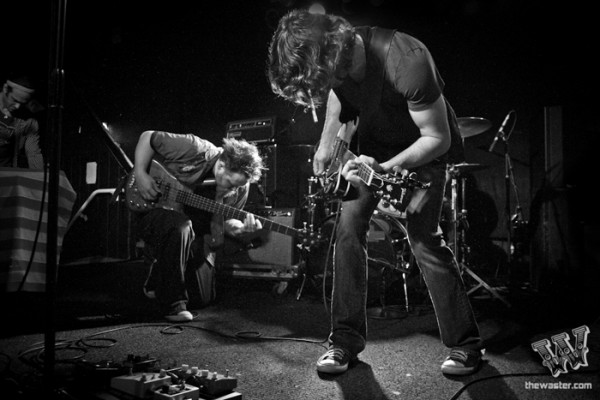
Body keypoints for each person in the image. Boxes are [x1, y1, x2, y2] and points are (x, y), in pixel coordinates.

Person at [267, 9, 483, 375]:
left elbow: (438, 137)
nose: (319, 92)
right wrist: (327, 143)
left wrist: (384, 168)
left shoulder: (407, 60)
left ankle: (466, 345)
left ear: (334, 55)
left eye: (322, 80)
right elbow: (338, 95)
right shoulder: (337, 62)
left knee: (423, 238)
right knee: (348, 230)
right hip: (374, 152)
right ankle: (344, 342)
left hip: (424, 151)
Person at [133, 130, 265, 322]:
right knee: (181, 225)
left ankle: (158, 271)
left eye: (237, 186)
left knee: (202, 300)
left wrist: (242, 229)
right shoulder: (194, 148)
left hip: (197, 231)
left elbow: (227, 222)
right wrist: (140, 173)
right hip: (154, 208)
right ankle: (174, 306)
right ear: (222, 164)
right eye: (229, 182)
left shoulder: (241, 185)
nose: (232, 189)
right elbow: (147, 136)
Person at [0, 75, 44, 169]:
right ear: (5, 89)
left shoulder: (29, 122)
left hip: (7, 175)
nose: (17, 106)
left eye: (22, 103)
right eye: (14, 100)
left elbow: (33, 154)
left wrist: (39, 178)